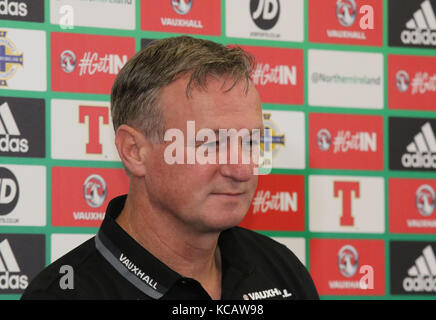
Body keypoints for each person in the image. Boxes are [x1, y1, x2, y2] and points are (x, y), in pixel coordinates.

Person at [21, 36, 319, 300]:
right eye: (210, 143)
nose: (242, 170)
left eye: (251, 142)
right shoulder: (64, 293)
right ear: (134, 151)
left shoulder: (281, 270)